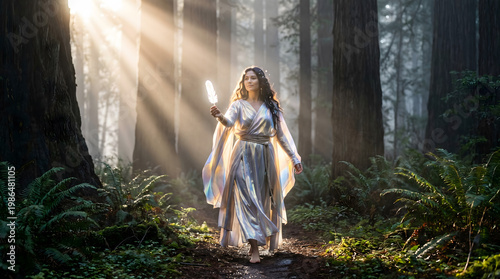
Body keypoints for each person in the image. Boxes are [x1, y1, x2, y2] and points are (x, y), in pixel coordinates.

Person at [202, 66, 303, 263]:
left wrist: (294, 158)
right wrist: (219, 115)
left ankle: (255, 239)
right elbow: (229, 123)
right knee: (247, 199)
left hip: (265, 157)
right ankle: (255, 249)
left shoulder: (271, 107)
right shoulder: (238, 105)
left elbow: (281, 136)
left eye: (253, 78)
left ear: (260, 82)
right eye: (246, 78)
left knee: (263, 200)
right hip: (242, 154)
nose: (249, 81)